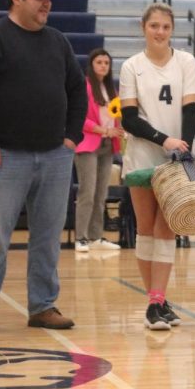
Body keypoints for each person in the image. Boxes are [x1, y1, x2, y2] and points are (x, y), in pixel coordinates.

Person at [0, 0, 86, 334]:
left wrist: (72, 138)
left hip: (55, 157)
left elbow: (77, 91)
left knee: (47, 235)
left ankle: (42, 306)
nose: (47, 3)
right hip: (5, 156)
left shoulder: (58, 41)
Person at [119, 2, 195, 331]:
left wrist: (182, 146)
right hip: (142, 156)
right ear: (144, 27)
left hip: (178, 156)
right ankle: (155, 300)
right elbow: (128, 118)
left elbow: (191, 110)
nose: (160, 32)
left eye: (165, 27)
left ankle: (157, 300)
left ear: (172, 30)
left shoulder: (186, 62)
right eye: (154, 26)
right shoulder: (131, 66)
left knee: (168, 227)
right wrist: (163, 139)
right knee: (146, 227)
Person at [73, 48, 123, 253]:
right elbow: (79, 118)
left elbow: (116, 116)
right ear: (91, 65)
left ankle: (95, 236)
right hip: (88, 143)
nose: (103, 66)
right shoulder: (84, 87)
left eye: (106, 63)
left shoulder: (112, 90)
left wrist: (119, 130)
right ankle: (80, 237)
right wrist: (102, 130)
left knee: (101, 192)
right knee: (88, 191)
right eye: (99, 62)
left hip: (108, 145)